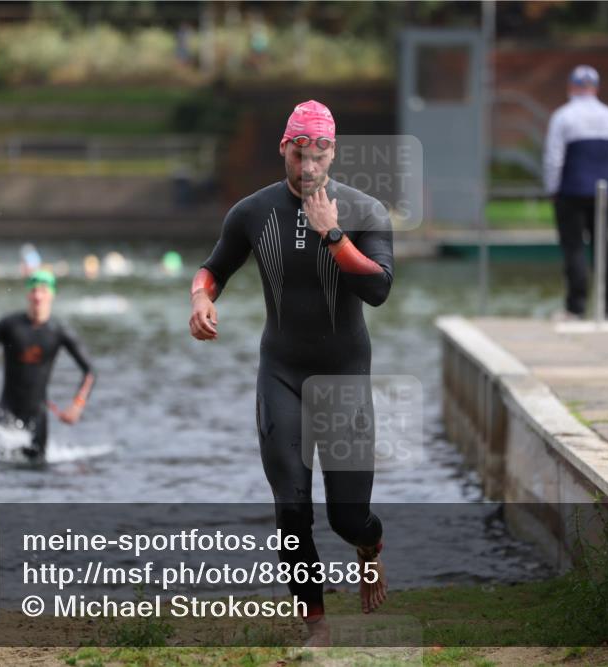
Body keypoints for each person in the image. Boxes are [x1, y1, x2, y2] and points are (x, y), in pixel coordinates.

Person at [189, 100, 393, 644]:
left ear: (333, 150)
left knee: (349, 518)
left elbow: (378, 289)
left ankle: (369, 547)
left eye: (319, 154)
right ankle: (316, 623)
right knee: (291, 509)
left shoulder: (364, 210)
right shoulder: (252, 213)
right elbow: (215, 268)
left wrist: (333, 235)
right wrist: (200, 298)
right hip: (281, 373)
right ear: (285, 148)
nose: (308, 168)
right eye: (299, 154)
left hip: (345, 378)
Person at [0, 270, 94, 462]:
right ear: (27, 294)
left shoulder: (58, 331)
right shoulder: (9, 325)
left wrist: (78, 404)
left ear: (52, 294)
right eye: (33, 290)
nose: (37, 296)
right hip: (7, 411)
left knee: (38, 472)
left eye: (43, 290)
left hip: (38, 415)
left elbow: (89, 371)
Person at [543, 65, 608, 320]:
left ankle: (576, 307)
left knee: (574, 249)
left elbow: (553, 158)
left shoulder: (563, 116)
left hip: (570, 191)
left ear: (571, 87)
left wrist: (552, 188)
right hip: (602, 194)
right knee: (603, 248)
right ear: (596, 88)